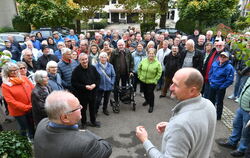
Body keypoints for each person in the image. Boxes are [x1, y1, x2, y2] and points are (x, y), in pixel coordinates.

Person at [136, 68, 217, 158]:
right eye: (172, 83)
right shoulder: (209, 105)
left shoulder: (180, 125)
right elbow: (197, 130)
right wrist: (171, 126)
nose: (170, 87)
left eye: (176, 85)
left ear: (192, 91)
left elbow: (184, 126)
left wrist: (145, 140)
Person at [34, 91, 112, 158]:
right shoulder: (86, 144)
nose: (81, 107)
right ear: (65, 117)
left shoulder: (42, 123)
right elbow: (106, 148)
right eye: (78, 107)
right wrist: (84, 132)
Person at [218, 77, 250, 157]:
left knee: (246, 132)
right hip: (242, 106)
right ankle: (232, 142)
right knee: (236, 125)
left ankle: (241, 149)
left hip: (248, 111)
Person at [1, 62, 35, 139]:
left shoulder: (24, 78)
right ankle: (24, 142)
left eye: (16, 69)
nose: (15, 72)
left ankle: (32, 138)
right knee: (24, 127)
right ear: (7, 72)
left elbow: (33, 90)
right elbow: (10, 101)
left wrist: (31, 104)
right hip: (19, 111)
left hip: (30, 107)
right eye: (12, 71)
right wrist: (26, 107)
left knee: (31, 125)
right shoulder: (5, 85)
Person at [71, 53, 101, 128]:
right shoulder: (76, 71)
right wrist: (85, 87)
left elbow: (98, 78)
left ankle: (93, 121)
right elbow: (74, 83)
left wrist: (95, 85)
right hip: (82, 94)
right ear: (79, 60)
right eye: (82, 59)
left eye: (86, 59)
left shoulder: (92, 68)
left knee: (92, 108)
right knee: (83, 110)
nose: (84, 61)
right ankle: (83, 123)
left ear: (88, 59)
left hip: (93, 93)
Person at [208, 51, 234, 120]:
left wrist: (222, 87)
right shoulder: (215, 63)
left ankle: (218, 116)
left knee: (219, 102)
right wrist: (210, 81)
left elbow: (230, 80)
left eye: (224, 57)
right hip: (212, 85)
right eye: (221, 56)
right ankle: (211, 113)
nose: (222, 58)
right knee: (211, 101)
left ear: (227, 58)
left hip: (220, 88)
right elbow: (210, 73)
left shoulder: (229, 67)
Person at [109, 40, 134, 107]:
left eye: (122, 45)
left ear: (124, 45)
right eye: (119, 45)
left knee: (124, 86)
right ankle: (116, 100)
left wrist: (131, 71)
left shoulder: (128, 51)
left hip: (125, 72)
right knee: (116, 87)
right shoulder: (114, 52)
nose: (121, 46)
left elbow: (131, 61)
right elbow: (110, 63)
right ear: (117, 45)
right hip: (116, 73)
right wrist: (111, 73)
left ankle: (123, 98)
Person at [138, 48, 162, 113]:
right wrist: (139, 76)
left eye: (152, 53)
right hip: (143, 80)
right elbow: (139, 68)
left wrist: (155, 80)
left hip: (151, 82)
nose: (151, 55)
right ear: (148, 54)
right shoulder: (144, 61)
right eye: (150, 53)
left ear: (155, 54)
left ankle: (151, 105)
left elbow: (159, 73)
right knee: (145, 92)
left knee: (150, 93)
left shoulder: (157, 63)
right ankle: (147, 101)